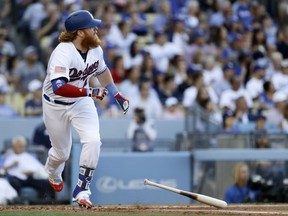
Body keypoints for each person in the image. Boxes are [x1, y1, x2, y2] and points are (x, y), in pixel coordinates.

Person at [42, 10, 129, 208]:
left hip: (80, 101)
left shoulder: (95, 49)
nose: (95, 29)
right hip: (55, 104)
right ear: (80, 32)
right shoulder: (62, 52)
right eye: (91, 27)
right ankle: (53, 172)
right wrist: (90, 92)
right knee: (61, 154)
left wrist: (116, 94)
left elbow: (102, 71)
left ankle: (82, 190)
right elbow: (59, 87)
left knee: (93, 140)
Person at [1, 136, 55, 203]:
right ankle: (16, 202)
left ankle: (44, 202)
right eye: (18, 146)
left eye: (22, 146)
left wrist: (32, 172)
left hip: (29, 177)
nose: (20, 148)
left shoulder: (28, 156)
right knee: (14, 183)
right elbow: (2, 170)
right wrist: (12, 165)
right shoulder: (8, 156)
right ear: (14, 146)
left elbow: (37, 167)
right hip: (15, 178)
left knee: (45, 183)